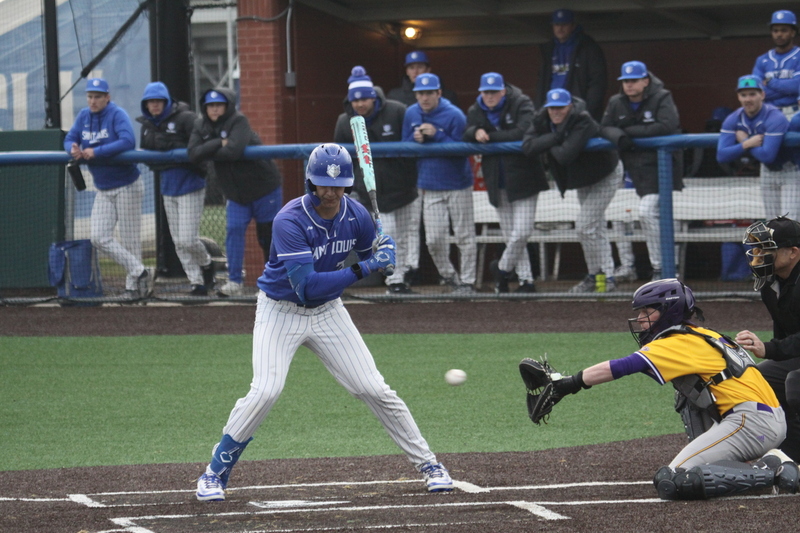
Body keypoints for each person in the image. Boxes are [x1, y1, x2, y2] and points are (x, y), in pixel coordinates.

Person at [195, 144, 453, 501]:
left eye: (338, 185)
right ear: (310, 183)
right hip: (280, 311)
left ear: (347, 185)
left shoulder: (357, 214)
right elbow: (308, 285)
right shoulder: (289, 220)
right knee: (266, 391)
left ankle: (429, 464)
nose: (330, 192)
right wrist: (368, 266)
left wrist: (384, 255)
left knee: (374, 388)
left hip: (329, 312)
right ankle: (214, 473)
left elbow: (370, 259)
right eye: (323, 185)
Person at [541, 278, 799, 500]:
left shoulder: (677, 340)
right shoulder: (701, 334)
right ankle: (754, 469)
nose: (640, 319)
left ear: (668, 311)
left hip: (750, 422)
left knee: (674, 479)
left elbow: (624, 365)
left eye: (647, 312)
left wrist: (570, 383)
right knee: (685, 394)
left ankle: (772, 468)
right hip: (762, 419)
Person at [522, 88, 622, 293]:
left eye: (560, 107)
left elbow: (564, 155)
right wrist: (556, 137)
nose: (556, 112)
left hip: (605, 175)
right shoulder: (541, 119)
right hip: (582, 178)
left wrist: (548, 141)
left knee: (585, 226)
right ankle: (603, 278)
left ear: (570, 106)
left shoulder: (582, 119)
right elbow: (528, 146)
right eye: (552, 108)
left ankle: (598, 275)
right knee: (595, 227)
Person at [188, 88, 283, 297]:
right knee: (233, 232)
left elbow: (233, 151)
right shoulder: (200, 124)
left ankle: (273, 283)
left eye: (219, 105)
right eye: (210, 105)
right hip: (236, 194)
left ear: (227, 106)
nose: (214, 109)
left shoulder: (239, 121)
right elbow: (193, 153)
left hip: (263, 188)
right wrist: (217, 143)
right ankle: (234, 282)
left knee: (268, 236)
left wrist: (210, 148)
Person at [333, 66, 420, 294]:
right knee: (387, 232)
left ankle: (406, 274)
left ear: (373, 96)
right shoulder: (344, 121)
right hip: (373, 192)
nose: (360, 103)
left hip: (404, 186)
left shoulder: (398, 111)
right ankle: (395, 281)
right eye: (355, 100)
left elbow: (412, 144)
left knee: (408, 234)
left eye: (364, 98)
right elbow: (342, 158)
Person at [63, 78, 152, 299]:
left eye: (98, 96)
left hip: (127, 185)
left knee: (130, 238)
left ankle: (134, 289)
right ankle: (141, 271)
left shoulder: (116, 114)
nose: (93, 101)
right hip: (103, 188)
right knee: (98, 237)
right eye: (90, 96)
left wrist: (97, 151)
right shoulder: (84, 116)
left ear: (107, 97)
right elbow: (70, 138)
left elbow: (127, 141)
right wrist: (72, 147)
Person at [463, 72, 548, 293]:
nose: (490, 96)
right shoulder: (475, 109)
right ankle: (526, 281)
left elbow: (524, 131)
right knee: (511, 234)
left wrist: (490, 137)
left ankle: (501, 269)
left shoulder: (521, 102)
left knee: (522, 232)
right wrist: (475, 131)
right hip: (496, 179)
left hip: (524, 178)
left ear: (503, 91)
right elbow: (466, 132)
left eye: (494, 92)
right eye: (486, 92)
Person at [601, 61, 683, 281]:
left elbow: (668, 125)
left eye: (634, 80)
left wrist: (628, 133)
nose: (629, 85)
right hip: (631, 169)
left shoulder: (661, 96)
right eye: (626, 81)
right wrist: (619, 137)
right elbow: (604, 126)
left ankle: (662, 268)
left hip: (662, 169)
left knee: (648, 213)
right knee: (618, 216)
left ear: (645, 81)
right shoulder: (617, 101)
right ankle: (629, 267)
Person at [137, 81, 215, 296]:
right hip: (167, 187)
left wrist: (173, 149)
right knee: (178, 242)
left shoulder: (186, 118)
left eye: (158, 101)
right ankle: (196, 282)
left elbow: (199, 147)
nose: (155, 105)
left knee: (187, 239)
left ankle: (207, 265)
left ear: (167, 101)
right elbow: (148, 158)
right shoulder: (147, 126)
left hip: (190, 184)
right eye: (150, 102)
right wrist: (169, 158)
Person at [402, 73, 477, 293]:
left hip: (458, 184)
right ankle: (450, 276)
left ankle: (468, 282)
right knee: (434, 240)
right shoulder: (411, 113)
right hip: (429, 184)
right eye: (420, 94)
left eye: (428, 93)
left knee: (464, 236)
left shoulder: (454, 114)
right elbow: (403, 145)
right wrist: (415, 140)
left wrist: (438, 135)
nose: (424, 98)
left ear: (438, 93)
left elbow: (463, 149)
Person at [735, 217, 800, 462]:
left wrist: (769, 348)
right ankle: (793, 454)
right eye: (757, 248)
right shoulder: (770, 282)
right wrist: (773, 350)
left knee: (795, 382)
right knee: (759, 379)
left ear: (793, 252)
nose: (758, 255)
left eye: (766, 249)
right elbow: (785, 334)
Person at [717, 75, 797, 221]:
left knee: (789, 225)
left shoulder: (774, 117)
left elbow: (768, 155)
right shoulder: (733, 118)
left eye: (753, 94)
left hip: (790, 170)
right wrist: (747, 144)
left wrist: (745, 141)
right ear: (738, 97)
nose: (748, 99)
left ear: (762, 95)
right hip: (766, 171)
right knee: (773, 225)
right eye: (743, 95)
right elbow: (721, 155)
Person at [534, 8, 607, 121]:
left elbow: (597, 83)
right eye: (556, 24)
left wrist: (586, 112)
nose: (560, 28)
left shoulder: (587, 47)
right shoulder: (548, 49)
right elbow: (541, 84)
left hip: (576, 111)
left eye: (564, 24)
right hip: (551, 108)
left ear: (573, 26)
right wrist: (539, 111)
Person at [752, 10, 800, 119]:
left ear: (793, 32)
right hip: (769, 113)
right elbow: (757, 92)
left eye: (784, 30)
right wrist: (787, 90)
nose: (779, 34)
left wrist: (769, 82)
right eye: (775, 31)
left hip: (795, 113)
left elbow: (797, 86)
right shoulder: (762, 60)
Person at [387, 50, 459, 108]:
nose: (415, 71)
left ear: (428, 70)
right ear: (407, 71)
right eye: (411, 68)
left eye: (420, 67)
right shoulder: (394, 96)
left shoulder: (447, 95)